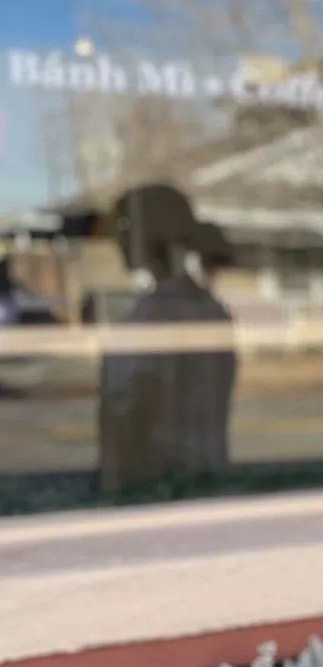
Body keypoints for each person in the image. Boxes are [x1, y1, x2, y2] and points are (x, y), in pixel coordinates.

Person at [97, 183, 237, 496]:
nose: (117, 239)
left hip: (160, 491)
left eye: (124, 226)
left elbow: (139, 415)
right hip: (202, 486)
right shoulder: (210, 309)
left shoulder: (158, 315)